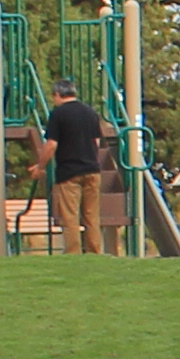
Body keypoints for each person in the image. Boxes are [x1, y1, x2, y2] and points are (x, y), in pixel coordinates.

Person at [44, 83, 109, 252]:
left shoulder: (58, 114)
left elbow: (51, 144)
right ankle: (95, 252)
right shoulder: (90, 113)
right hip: (92, 170)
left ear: (58, 94)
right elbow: (97, 141)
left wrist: (40, 165)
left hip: (69, 171)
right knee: (91, 216)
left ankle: (73, 253)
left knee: (70, 216)